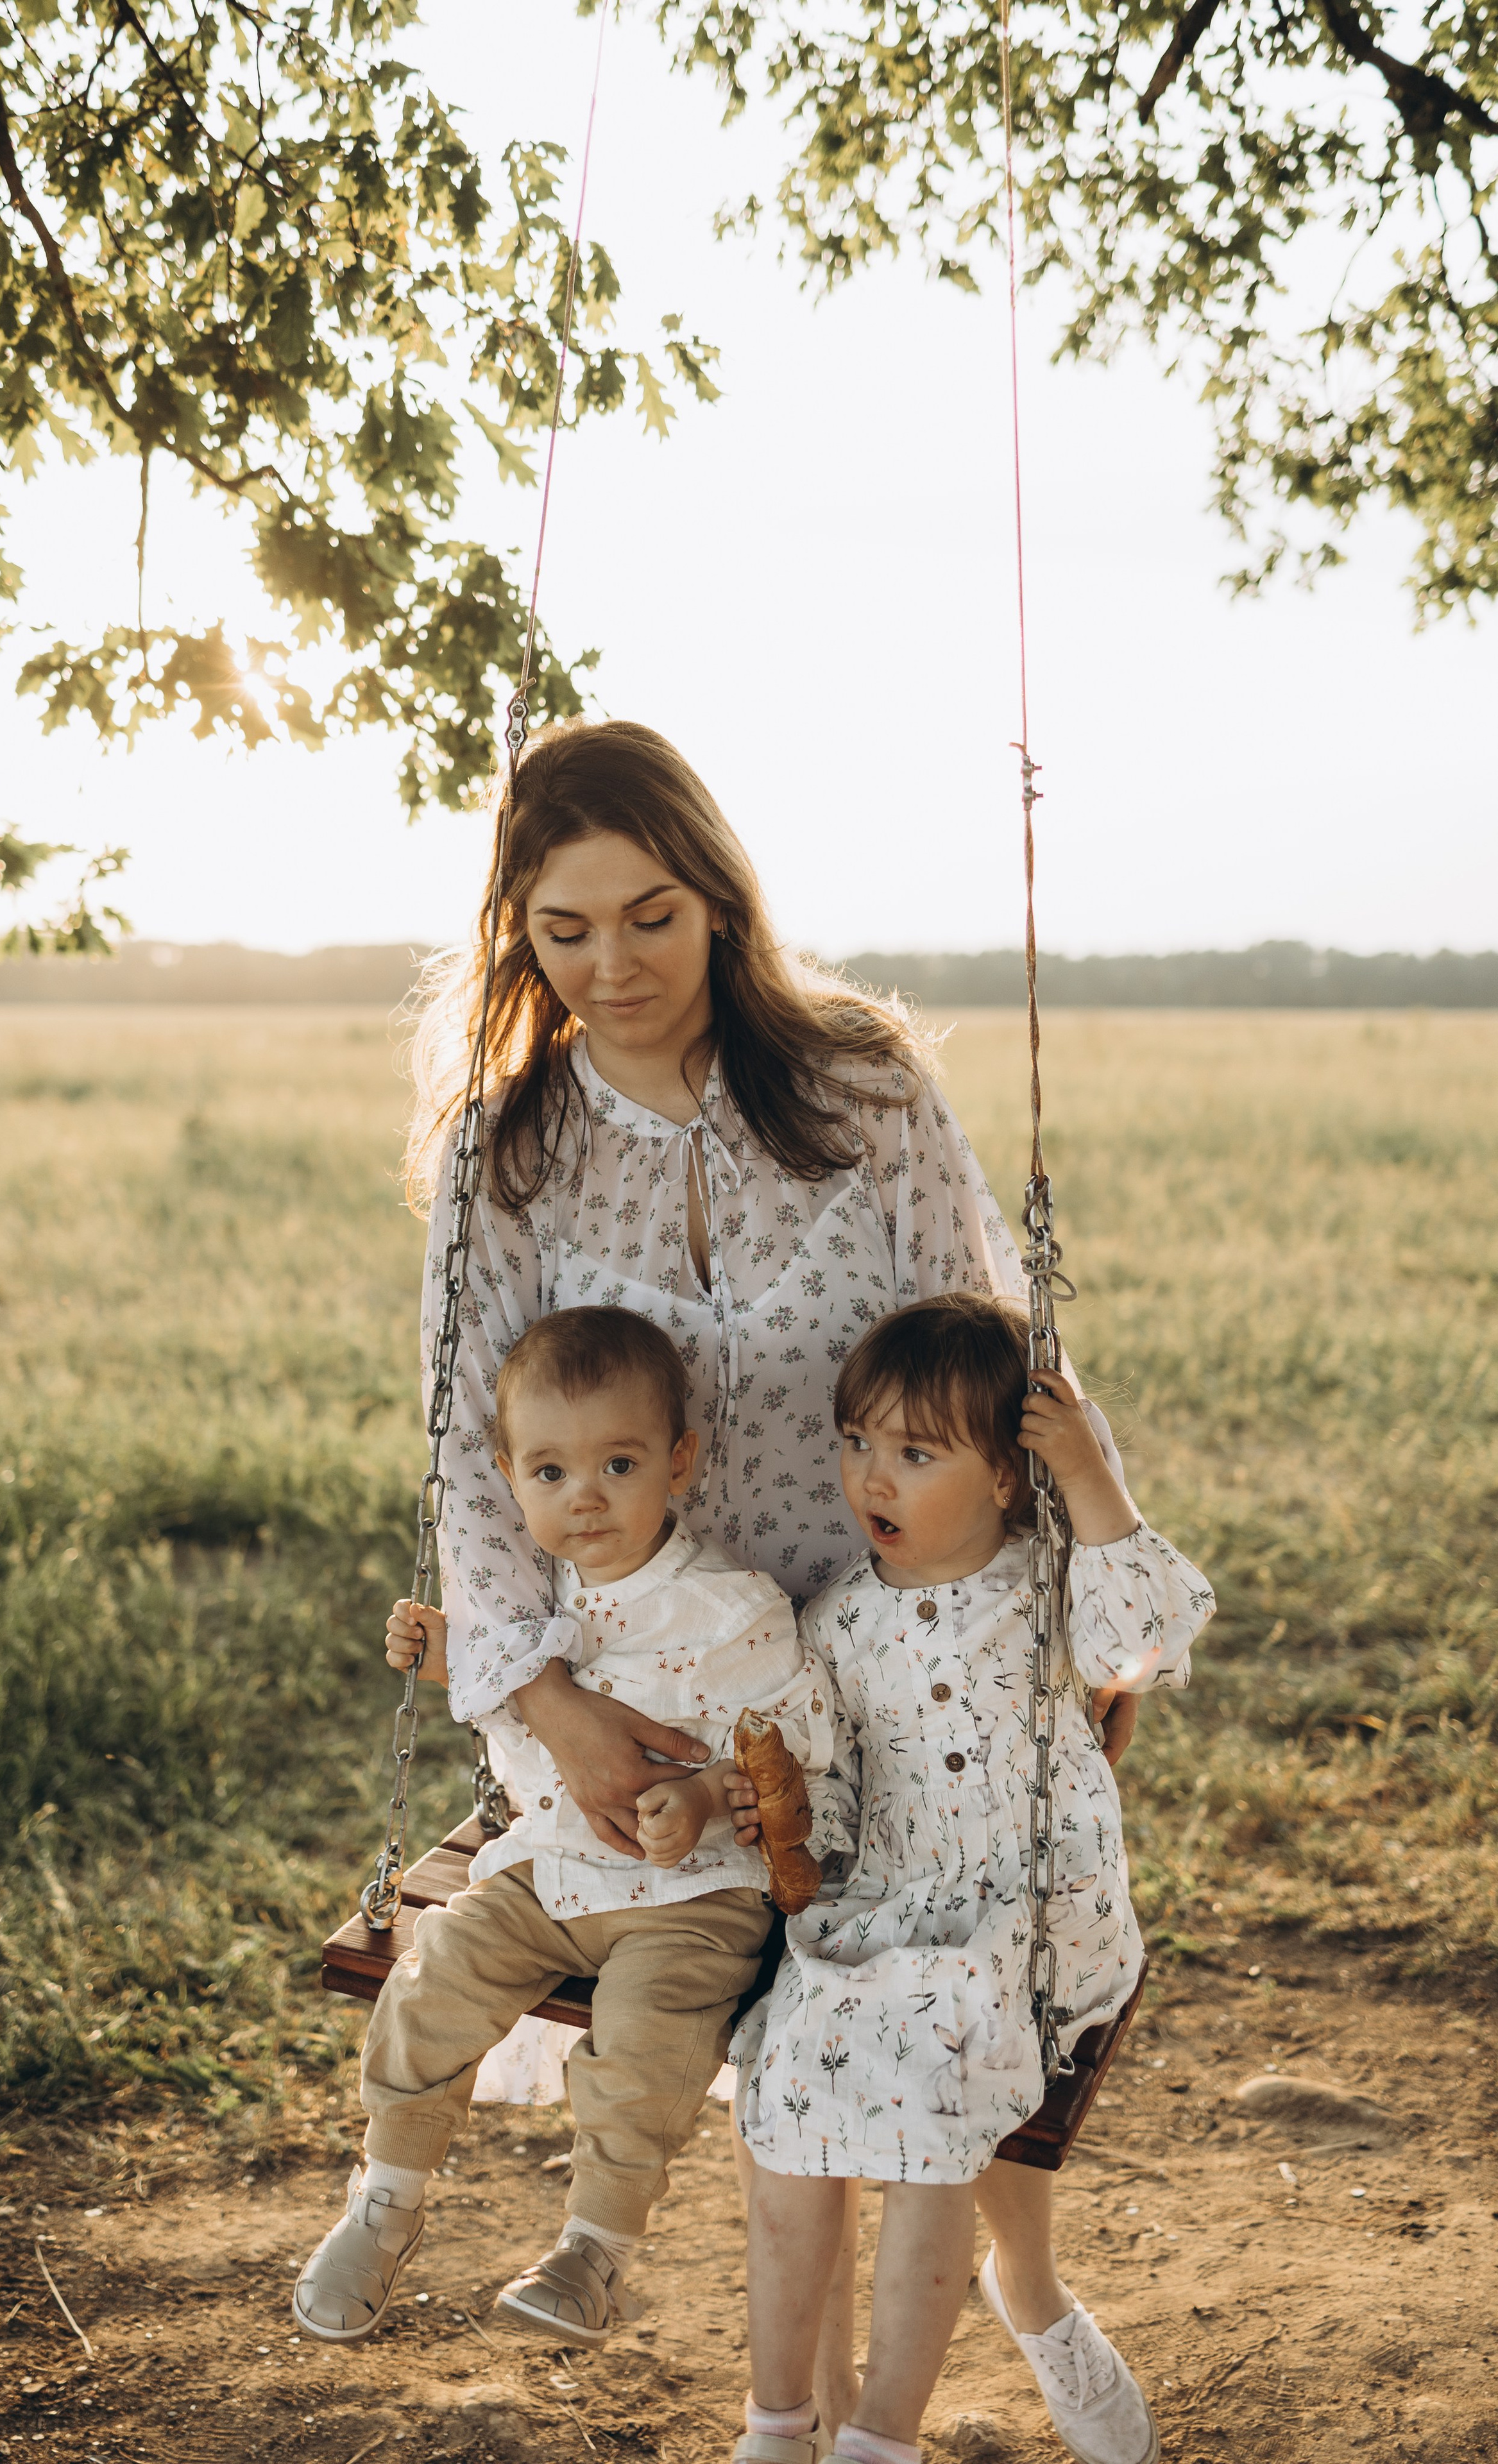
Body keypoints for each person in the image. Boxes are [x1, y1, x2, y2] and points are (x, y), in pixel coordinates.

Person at [402, 716, 1140, 2413]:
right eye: (564, 928)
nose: (612, 964)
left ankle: (1018, 2283)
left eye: (650, 914)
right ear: (517, 930)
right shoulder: (504, 1155)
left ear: (719, 900)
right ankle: (792, 2426)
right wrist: (550, 1700)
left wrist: (1068, 1598)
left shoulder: (861, 1084)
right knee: (804, 2017)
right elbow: (465, 1453)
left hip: (889, 1643)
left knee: (948, 1982)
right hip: (646, 1675)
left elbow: (987, 1353)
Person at [728, 1295, 1215, 2464]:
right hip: (892, 1906)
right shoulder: (837, 1621)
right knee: (787, 2079)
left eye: (914, 1452)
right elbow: (835, 1793)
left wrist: (1094, 1475)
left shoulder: (1055, 1587)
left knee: (939, 2080)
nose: (871, 1480)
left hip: (1032, 1917)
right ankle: (777, 2419)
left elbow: (1147, 1642)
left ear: (1006, 1475)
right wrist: (787, 1820)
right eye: (857, 1443)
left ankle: (886, 2433)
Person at [292, 1307, 828, 2349]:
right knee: (433, 1973)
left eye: (617, 1463)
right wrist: (446, 1651)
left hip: (695, 1897)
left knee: (646, 2041)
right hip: (551, 1871)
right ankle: (386, 2199)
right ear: (508, 1474)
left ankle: (593, 2251)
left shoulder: (734, 1607)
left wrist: (716, 1794)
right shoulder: (534, 1602)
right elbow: (506, 1694)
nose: (582, 1496)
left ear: (679, 1461)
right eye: (549, 1473)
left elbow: (799, 1739)